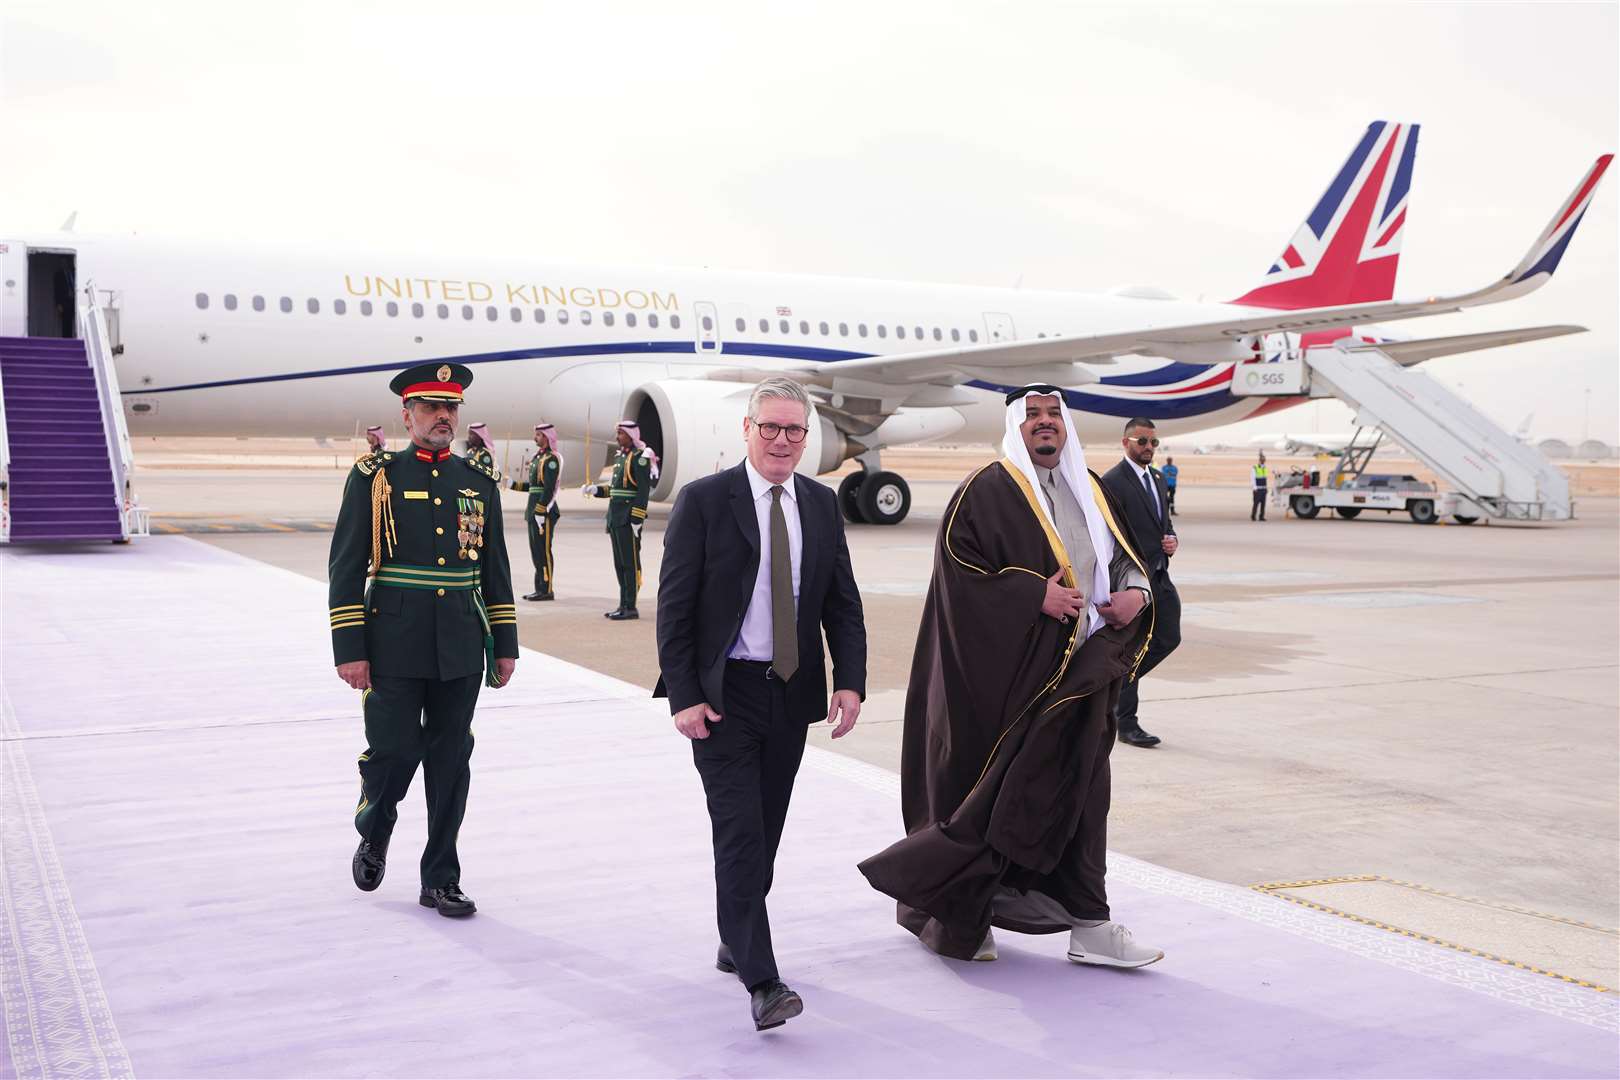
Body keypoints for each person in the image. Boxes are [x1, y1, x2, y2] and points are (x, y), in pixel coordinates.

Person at [858, 385, 1162, 970]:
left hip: (1082, 679)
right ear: (1014, 428)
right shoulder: (986, 490)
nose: (1044, 424)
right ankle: (958, 916)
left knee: (1084, 799)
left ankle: (1090, 924)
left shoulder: (1091, 488)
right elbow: (958, 576)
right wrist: (1032, 595)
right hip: (1006, 688)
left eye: (1053, 415)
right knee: (988, 801)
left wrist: (1136, 591)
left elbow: (1122, 555)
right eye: (1032, 416)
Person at [655, 377, 867, 1032]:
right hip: (724, 697)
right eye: (769, 428)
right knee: (740, 833)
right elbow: (674, 609)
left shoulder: (821, 505)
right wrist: (684, 695)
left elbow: (841, 603)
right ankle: (763, 981)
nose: (781, 440)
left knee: (765, 830)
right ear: (745, 431)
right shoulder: (704, 502)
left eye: (793, 430)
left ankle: (734, 931)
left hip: (791, 692)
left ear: (808, 437)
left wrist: (850, 680)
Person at [327, 362, 519, 918]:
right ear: (406, 415)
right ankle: (376, 825)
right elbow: (345, 566)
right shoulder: (375, 476)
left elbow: (496, 569)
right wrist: (351, 648)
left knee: (450, 758)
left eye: (450, 408)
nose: (443, 417)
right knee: (394, 749)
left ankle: (440, 876)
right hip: (392, 639)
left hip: (460, 640)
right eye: (432, 408)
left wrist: (503, 643)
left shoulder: (477, 481)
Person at [1102, 417, 1181, 749]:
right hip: (1131, 581)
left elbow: (1164, 523)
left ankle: (1114, 687)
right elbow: (1107, 534)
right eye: (1142, 441)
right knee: (1133, 647)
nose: (1149, 448)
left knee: (1168, 638)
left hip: (1159, 575)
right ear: (1125, 443)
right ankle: (1126, 722)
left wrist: (1171, 540)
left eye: (1154, 443)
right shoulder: (1112, 482)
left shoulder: (1159, 479)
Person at [582, 421, 656, 620]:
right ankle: (623, 604)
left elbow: (642, 491)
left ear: (631, 435)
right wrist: (595, 490)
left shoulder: (640, 458)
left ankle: (630, 606)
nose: (617, 437)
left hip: (628, 518)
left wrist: (637, 518)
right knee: (620, 564)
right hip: (615, 518)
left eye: (621, 433)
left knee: (630, 564)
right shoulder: (621, 457)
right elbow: (614, 488)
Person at [510, 423, 562, 601]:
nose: (535, 439)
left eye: (538, 435)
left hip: (544, 512)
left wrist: (541, 510)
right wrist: (513, 484)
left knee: (543, 551)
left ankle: (546, 589)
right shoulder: (538, 458)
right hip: (533, 511)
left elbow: (549, 488)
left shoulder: (551, 459)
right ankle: (539, 587)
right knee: (536, 551)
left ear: (547, 437)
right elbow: (533, 487)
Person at [1251, 451, 1269, 521]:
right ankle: (1253, 516)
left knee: (1263, 504)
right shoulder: (1255, 467)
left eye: (1264, 460)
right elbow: (1252, 478)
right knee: (1256, 503)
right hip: (1257, 489)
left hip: (1263, 489)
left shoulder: (1264, 467)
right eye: (1262, 459)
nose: (1263, 461)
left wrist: (1266, 488)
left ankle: (1261, 516)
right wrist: (1254, 487)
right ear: (1259, 460)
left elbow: (1265, 478)